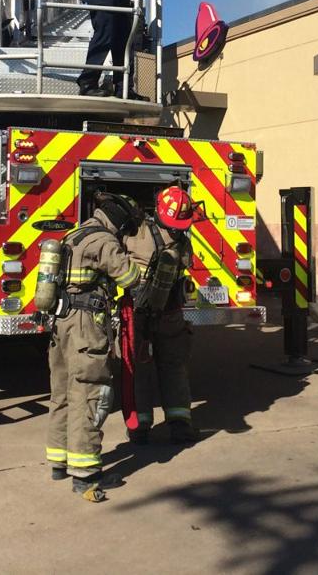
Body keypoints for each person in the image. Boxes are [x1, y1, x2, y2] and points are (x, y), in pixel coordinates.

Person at [46, 192, 144, 502]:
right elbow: (130, 279)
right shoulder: (104, 241)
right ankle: (86, 474)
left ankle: (59, 461)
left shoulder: (74, 234)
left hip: (60, 323)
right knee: (89, 394)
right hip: (85, 325)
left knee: (62, 392)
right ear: (119, 224)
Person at [122, 185, 198, 445]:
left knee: (139, 366)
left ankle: (139, 428)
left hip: (138, 311)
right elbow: (188, 263)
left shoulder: (136, 231)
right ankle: (180, 425)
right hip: (170, 310)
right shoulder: (182, 243)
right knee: (174, 366)